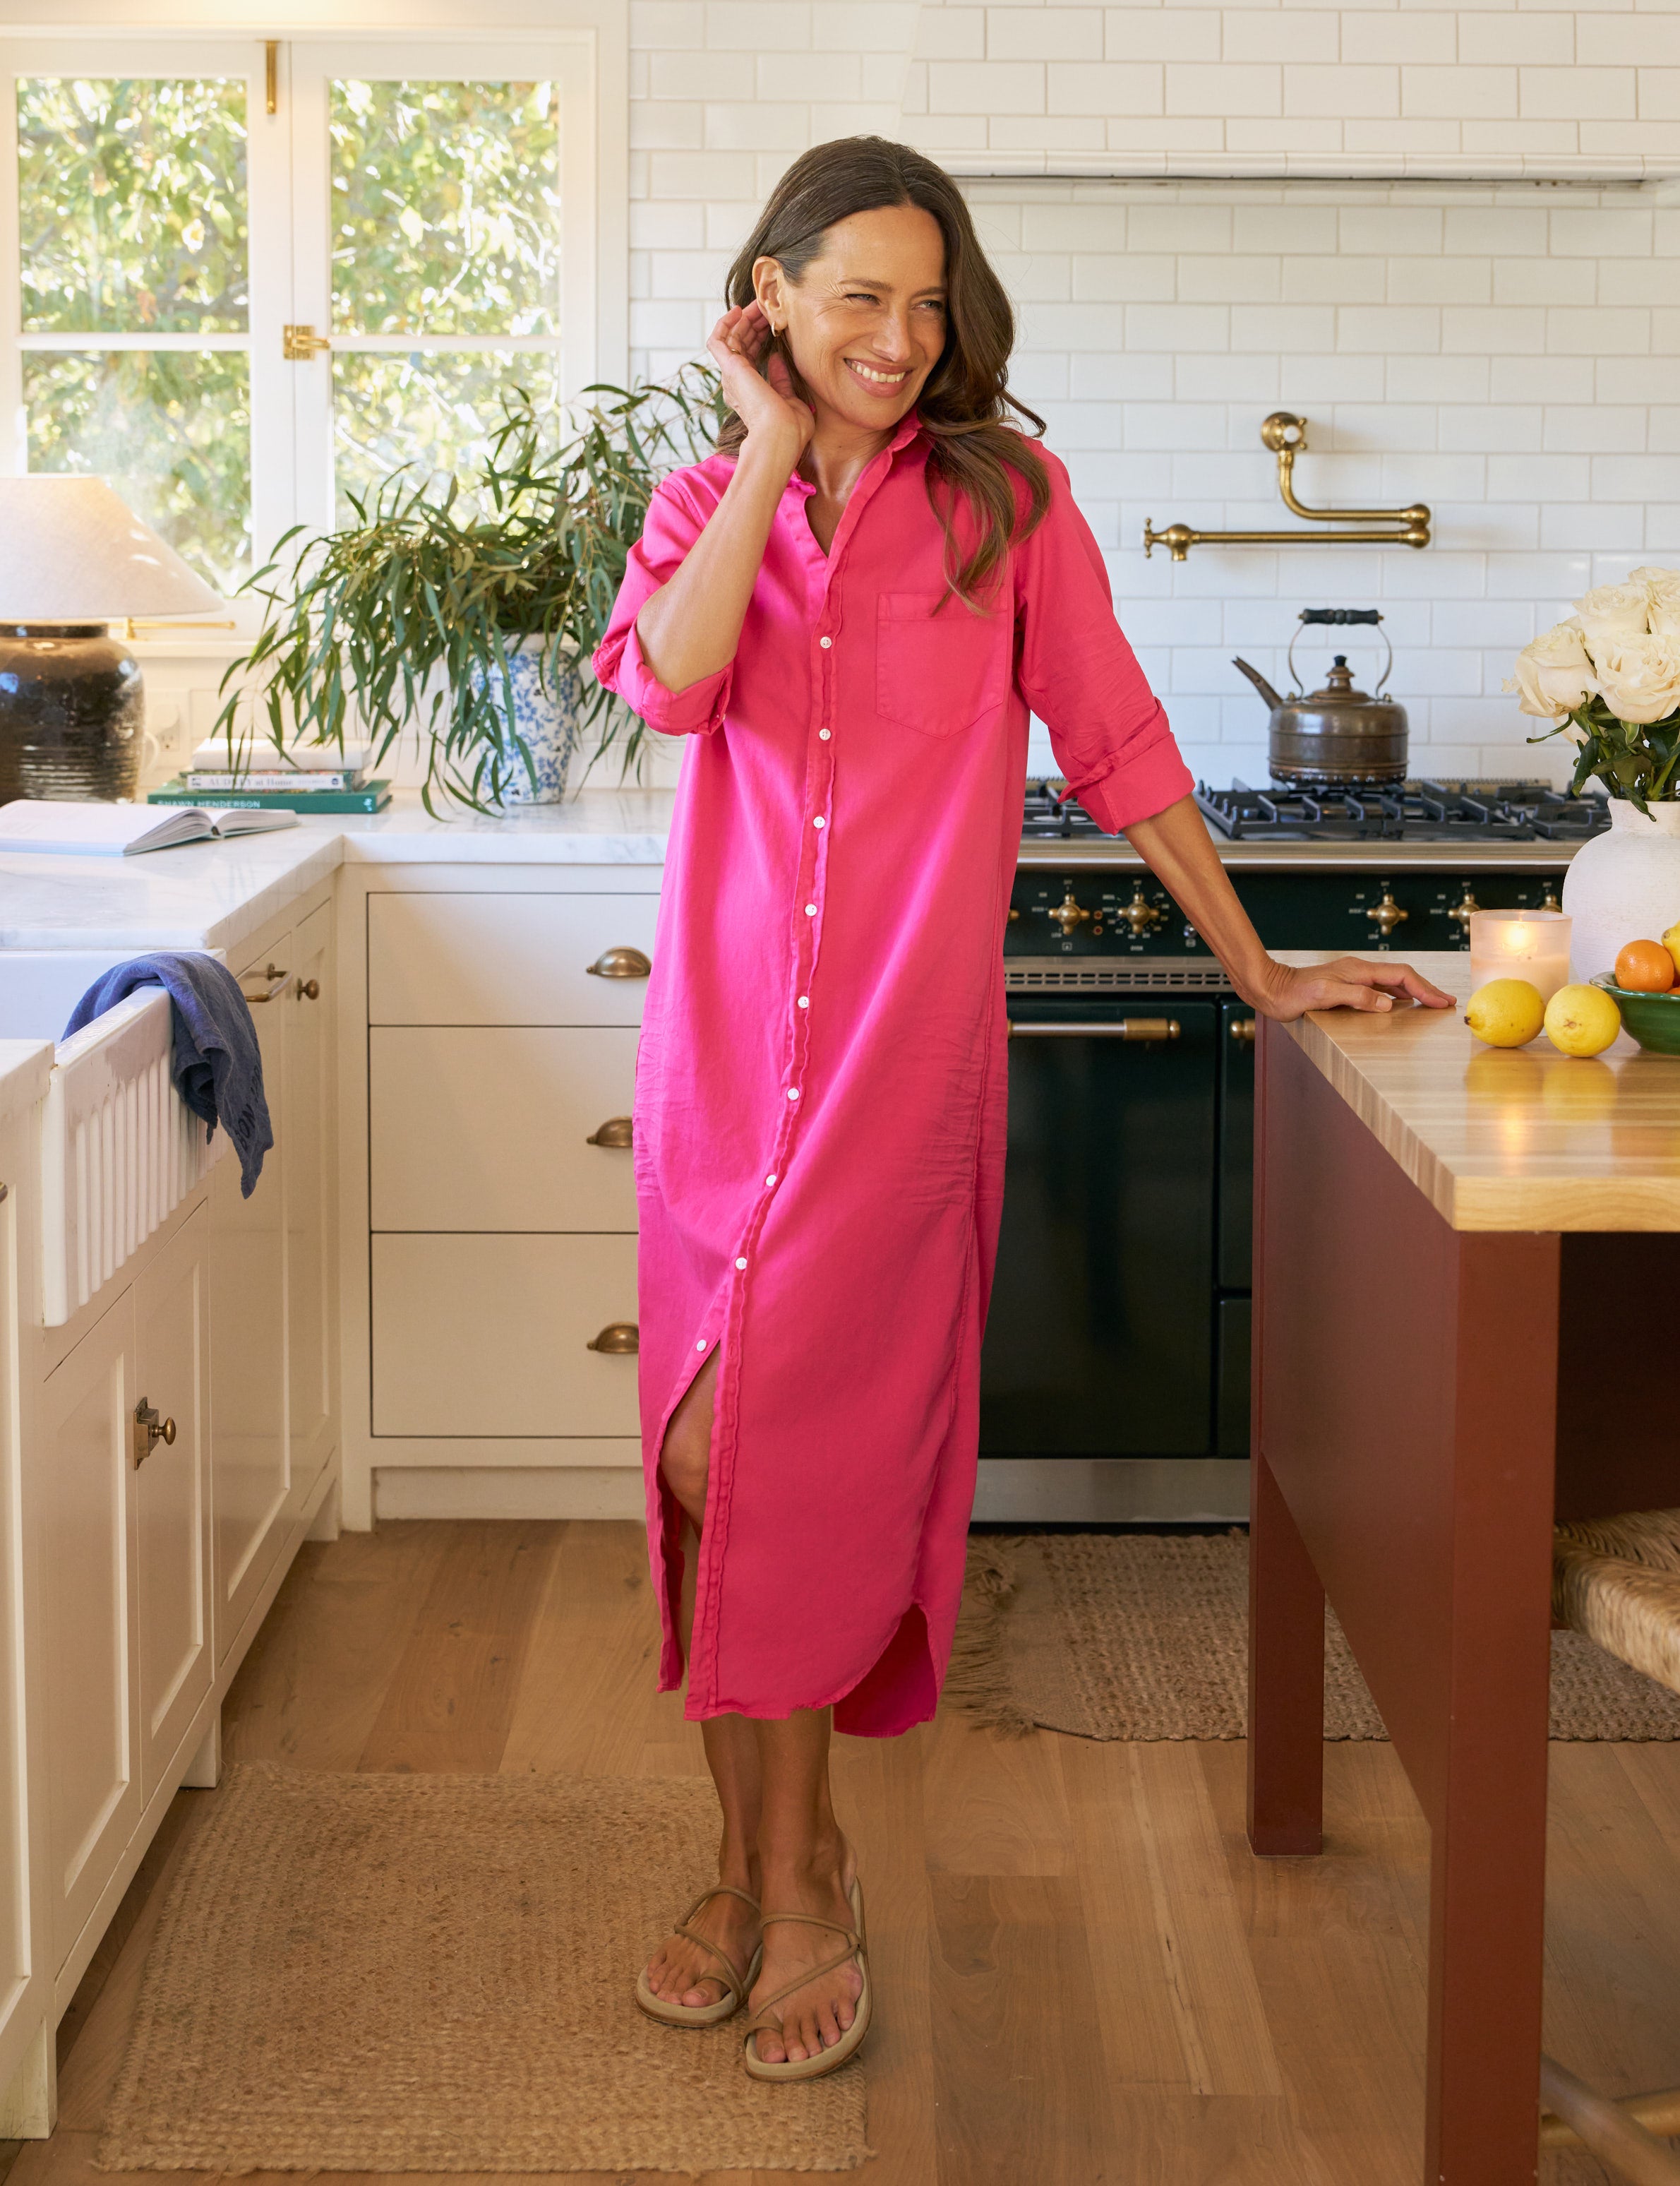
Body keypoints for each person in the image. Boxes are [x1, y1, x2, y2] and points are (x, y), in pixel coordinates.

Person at [592, 134, 1451, 2084]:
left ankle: (795, 1880)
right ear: (774, 297)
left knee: (784, 1467)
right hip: (721, 1064)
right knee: (699, 1466)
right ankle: (746, 1854)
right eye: (855, 297)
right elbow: (669, 684)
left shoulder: (1009, 506)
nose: (897, 338)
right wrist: (752, 447)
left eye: (926, 300)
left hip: (897, 1080)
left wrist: (1255, 966)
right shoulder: (691, 504)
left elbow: (1124, 742)